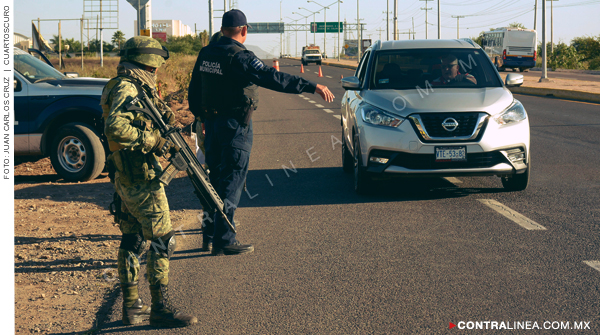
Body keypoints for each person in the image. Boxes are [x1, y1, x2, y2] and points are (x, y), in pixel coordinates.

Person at [188, 9, 335, 256]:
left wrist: (200, 118)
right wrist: (311, 85)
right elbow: (271, 77)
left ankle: (210, 235)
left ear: (222, 29)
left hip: (211, 126)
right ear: (244, 30)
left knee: (213, 180)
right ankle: (225, 238)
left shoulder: (206, 53)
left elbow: (194, 89)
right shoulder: (240, 56)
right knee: (232, 180)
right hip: (235, 127)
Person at [101, 36, 197, 328]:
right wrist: (151, 139)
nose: (156, 71)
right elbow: (115, 127)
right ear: (147, 62)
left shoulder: (130, 85)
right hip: (141, 177)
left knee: (133, 239)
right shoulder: (126, 87)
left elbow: (149, 117)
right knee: (162, 241)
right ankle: (160, 309)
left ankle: (132, 306)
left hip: (127, 175)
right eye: (155, 66)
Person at [194, 31, 224, 166]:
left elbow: (195, 91)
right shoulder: (231, 63)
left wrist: (200, 118)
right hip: (218, 123)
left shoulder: (204, 63)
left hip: (205, 121)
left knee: (209, 159)